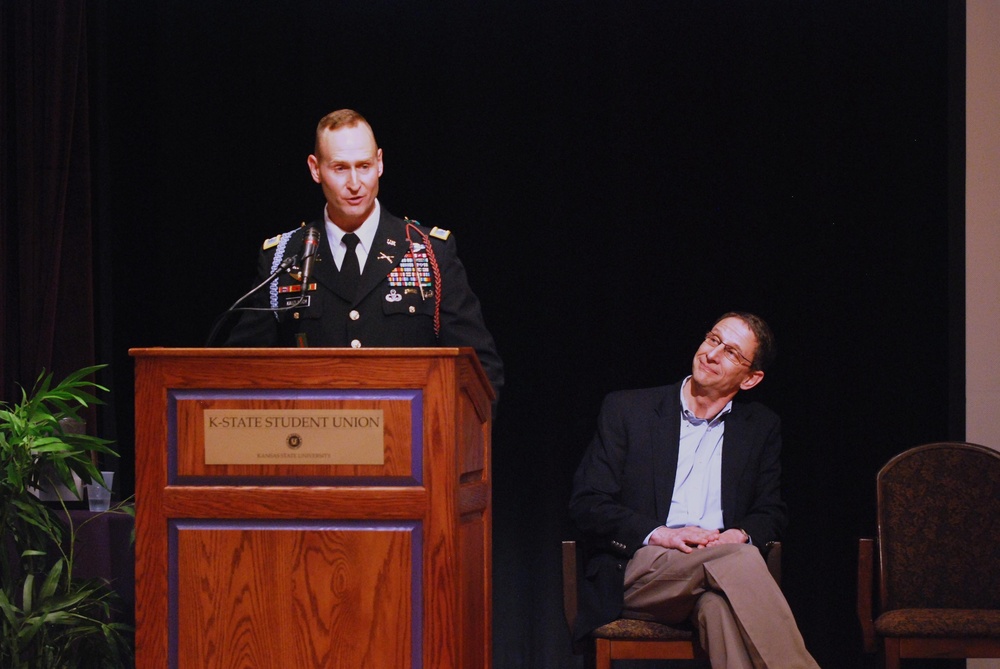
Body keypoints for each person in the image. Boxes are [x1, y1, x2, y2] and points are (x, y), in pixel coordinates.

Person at [568, 312, 819, 669]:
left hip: (720, 574)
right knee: (742, 559)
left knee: (717, 608)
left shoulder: (760, 427)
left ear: (751, 379)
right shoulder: (629, 410)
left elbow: (771, 511)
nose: (712, 354)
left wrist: (739, 534)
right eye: (713, 339)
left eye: (731, 352)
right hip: (643, 571)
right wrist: (660, 536)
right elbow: (587, 503)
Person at [224, 109, 503, 400]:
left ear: (380, 163)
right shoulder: (283, 256)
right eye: (340, 168)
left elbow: (481, 372)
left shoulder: (429, 251)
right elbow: (239, 373)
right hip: (315, 439)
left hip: (408, 439)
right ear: (315, 168)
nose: (355, 183)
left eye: (365, 166)